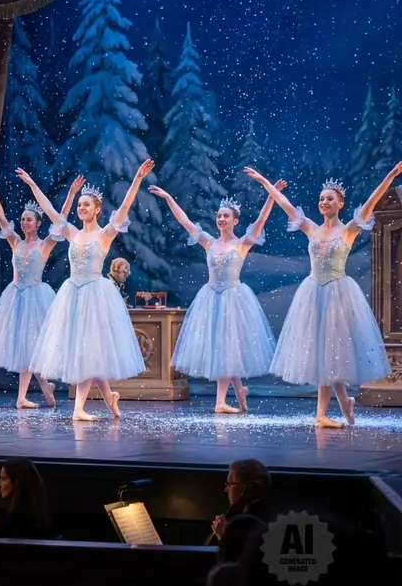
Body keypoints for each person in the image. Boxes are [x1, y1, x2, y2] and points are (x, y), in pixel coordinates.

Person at [246, 162, 400, 427]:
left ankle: (321, 415)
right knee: (325, 355)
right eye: (321, 199)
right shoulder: (312, 229)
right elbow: (285, 205)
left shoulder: (348, 229)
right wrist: (264, 182)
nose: (324, 202)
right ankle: (342, 405)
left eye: (329, 199)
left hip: (337, 295)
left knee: (330, 354)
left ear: (340, 204)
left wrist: (392, 174)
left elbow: (372, 201)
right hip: (313, 294)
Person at [23, 161, 154, 421]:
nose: (81, 208)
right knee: (87, 351)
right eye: (80, 205)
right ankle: (109, 396)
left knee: (88, 350)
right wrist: (31, 184)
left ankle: (79, 409)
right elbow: (49, 210)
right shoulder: (72, 233)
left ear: (97, 210)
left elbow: (124, 208)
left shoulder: (105, 234)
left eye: (86, 205)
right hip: (72, 294)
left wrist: (138, 178)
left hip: (94, 296)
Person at [148, 181, 284, 413]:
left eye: (226, 216)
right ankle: (239, 393)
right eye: (219, 216)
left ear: (235, 221)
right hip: (211, 298)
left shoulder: (242, 244)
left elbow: (261, 220)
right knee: (224, 348)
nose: (221, 219)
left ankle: (221, 401)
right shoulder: (208, 242)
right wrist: (168, 197)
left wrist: (271, 195)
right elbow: (185, 221)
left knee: (227, 347)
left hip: (233, 299)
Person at [0, 170, 77, 408]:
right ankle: (37, 390)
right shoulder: (15, 242)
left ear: (38, 223)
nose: (24, 223)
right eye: (22, 219)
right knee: (26, 348)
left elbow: (61, 220)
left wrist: (71, 195)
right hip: (15, 297)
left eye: (29, 220)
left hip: (36, 297)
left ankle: (30, 393)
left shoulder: (45, 245)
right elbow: (1, 218)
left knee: (33, 347)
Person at [0, 458, 51, 539]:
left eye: (3, 479)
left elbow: (12, 544)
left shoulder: (21, 518)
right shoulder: (32, 513)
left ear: (17, 483)